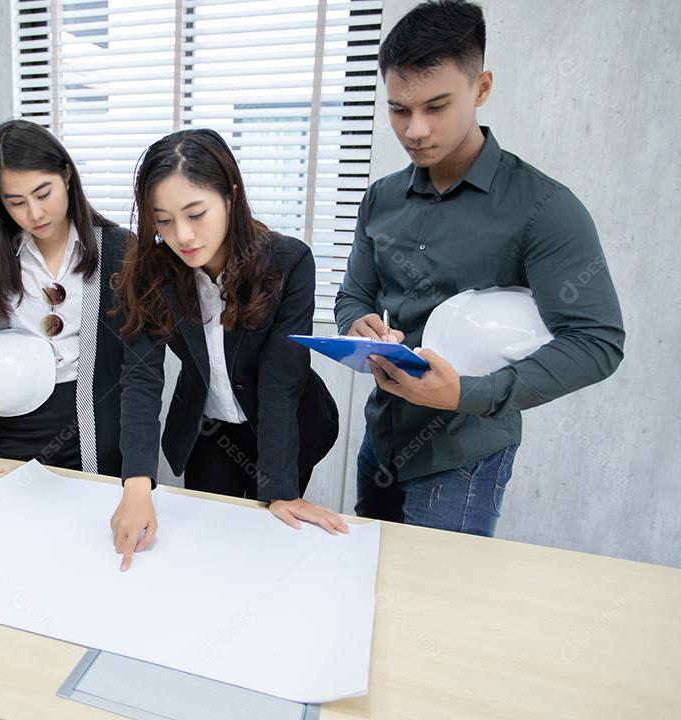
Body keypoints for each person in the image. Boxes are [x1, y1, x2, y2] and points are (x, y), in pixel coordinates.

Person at [335, 0, 624, 536]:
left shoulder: (544, 208)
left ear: (482, 87)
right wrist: (358, 325)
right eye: (399, 109)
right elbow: (352, 297)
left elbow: (596, 342)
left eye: (436, 106)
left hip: (463, 457)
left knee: (438, 606)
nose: (415, 129)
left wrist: (468, 394)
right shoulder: (380, 199)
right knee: (368, 590)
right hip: (381, 438)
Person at [110, 128, 346, 571]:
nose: (181, 235)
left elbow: (282, 380)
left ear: (231, 196)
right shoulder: (151, 272)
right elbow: (140, 376)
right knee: (207, 549)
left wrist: (281, 489)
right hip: (210, 428)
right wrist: (136, 485)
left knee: (266, 545)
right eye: (162, 220)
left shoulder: (287, 262)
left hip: (283, 423)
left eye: (196, 213)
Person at [0, 120, 128, 492]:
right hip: (10, 429)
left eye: (43, 192)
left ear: (67, 175)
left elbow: (142, 367)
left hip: (94, 432)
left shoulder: (118, 250)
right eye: (16, 202)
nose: (34, 213)